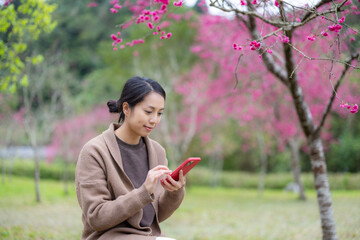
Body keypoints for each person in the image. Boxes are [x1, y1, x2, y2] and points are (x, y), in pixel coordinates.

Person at [75, 76, 186, 240]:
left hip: (147, 236)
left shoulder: (157, 152)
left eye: (159, 113)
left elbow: (154, 216)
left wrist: (174, 193)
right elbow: (96, 217)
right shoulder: (95, 151)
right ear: (126, 109)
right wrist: (143, 192)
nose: (154, 120)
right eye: (148, 112)